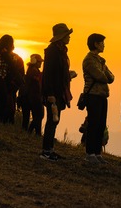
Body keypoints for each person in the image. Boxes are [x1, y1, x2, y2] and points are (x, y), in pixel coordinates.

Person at [40, 23, 76, 161]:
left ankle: (50, 149)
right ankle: (46, 151)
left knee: (55, 120)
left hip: (58, 91)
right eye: (67, 35)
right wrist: (50, 94)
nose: (69, 38)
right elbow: (48, 74)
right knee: (52, 120)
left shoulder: (60, 50)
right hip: (53, 93)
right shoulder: (53, 51)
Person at [82, 33, 114, 164]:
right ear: (95, 44)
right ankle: (90, 153)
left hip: (102, 96)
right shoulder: (89, 60)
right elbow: (100, 76)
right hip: (93, 96)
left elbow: (111, 77)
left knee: (100, 125)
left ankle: (97, 152)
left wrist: (103, 69)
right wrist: (104, 74)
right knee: (94, 124)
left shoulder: (100, 61)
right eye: (102, 43)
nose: (104, 45)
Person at [20, 54, 44, 135]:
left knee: (28, 117)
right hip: (33, 97)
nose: (41, 63)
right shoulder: (33, 71)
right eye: (39, 62)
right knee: (39, 116)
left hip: (29, 97)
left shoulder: (31, 70)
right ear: (35, 62)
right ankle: (31, 132)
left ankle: (28, 132)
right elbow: (38, 81)